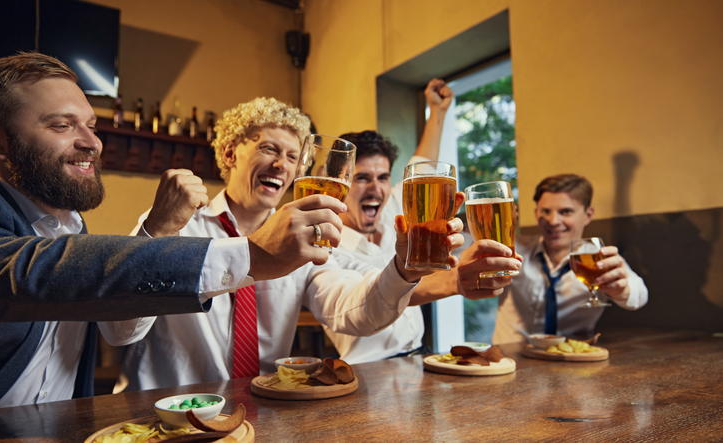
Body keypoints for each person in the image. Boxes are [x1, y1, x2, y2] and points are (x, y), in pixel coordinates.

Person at [0, 53, 345, 415]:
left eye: (91, 125)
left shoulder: (70, 225)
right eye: (62, 125)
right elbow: (28, 273)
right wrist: (250, 255)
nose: (92, 142)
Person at [115, 96, 474, 391]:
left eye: (292, 157)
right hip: (162, 417)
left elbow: (352, 309)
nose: (280, 165)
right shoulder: (177, 222)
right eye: (269, 148)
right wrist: (155, 230)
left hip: (261, 414)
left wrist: (404, 271)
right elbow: (119, 329)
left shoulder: (302, 237)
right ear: (229, 153)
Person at [328, 79, 522, 363]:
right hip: (367, 370)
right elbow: (370, 299)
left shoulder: (395, 211)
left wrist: (438, 111)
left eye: (383, 177)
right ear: (339, 184)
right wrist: (455, 279)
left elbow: (425, 166)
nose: (376, 188)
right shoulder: (327, 246)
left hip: (418, 358)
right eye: (362, 178)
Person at [492, 174, 648, 343]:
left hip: (571, 359)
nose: (553, 221)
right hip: (510, 358)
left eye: (565, 211)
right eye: (546, 211)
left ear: (588, 215)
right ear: (536, 214)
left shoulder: (599, 258)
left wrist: (621, 290)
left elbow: (639, 296)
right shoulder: (512, 249)